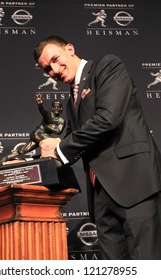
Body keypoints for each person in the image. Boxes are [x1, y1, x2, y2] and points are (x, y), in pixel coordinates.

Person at [33, 35, 161, 260]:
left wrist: (61, 148)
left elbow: (107, 119)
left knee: (147, 264)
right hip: (100, 194)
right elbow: (74, 140)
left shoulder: (107, 66)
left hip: (134, 183)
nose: (54, 70)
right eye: (47, 69)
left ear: (70, 49)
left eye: (55, 59)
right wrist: (43, 155)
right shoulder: (71, 96)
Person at [0, 93, 65, 165]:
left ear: (61, 109)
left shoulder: (61, 120)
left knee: (23, 151)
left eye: (59, 107)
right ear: (52, 108)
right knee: (52, 142)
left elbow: (59, 131)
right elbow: (43, 112)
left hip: (41, 137)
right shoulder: (49, 114)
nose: (57, 109)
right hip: (37, 134)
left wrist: (49, 126)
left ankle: (4, 159)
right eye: (55, 107)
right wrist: (39, 104)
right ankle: (55, 157)